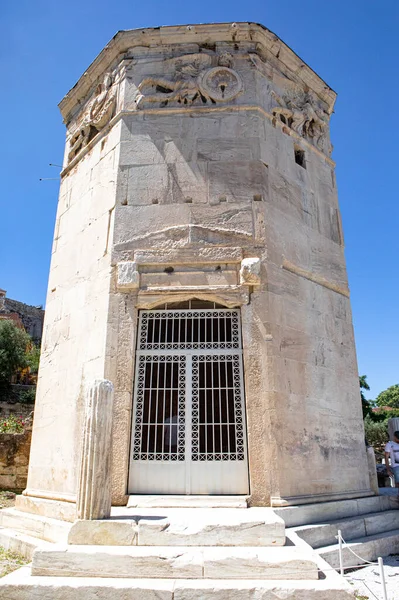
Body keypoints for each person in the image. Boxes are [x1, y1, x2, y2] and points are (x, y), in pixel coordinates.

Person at [384, 430, 399, 498]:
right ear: (395, 437)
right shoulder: (390, 444)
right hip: (396, 467)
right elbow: (386, 457)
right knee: (398, 484)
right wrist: (388, 469)